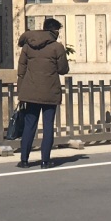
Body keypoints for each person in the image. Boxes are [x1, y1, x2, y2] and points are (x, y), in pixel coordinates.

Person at [15, 16, 69, 169]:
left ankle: (24, 160)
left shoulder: (27, 46)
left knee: (29, 125)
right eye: (58, 30)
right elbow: (63, 69)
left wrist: (21, 91)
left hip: (30, 92)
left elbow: (21, 70)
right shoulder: (57, 47)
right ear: (54, 30)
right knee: (47, 126)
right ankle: (45, 161)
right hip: (50, 92)